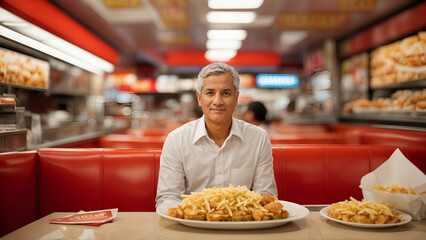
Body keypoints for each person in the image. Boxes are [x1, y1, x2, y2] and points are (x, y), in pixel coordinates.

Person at [155, 62, 277, 210]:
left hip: (243, 227)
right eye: (210, 93)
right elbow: (168, 198)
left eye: (226, 93)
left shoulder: (258, 138)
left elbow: (265, 196)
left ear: (237, 97)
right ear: (199, 98)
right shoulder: (176, 140)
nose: (218, 101)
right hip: (192, 227)